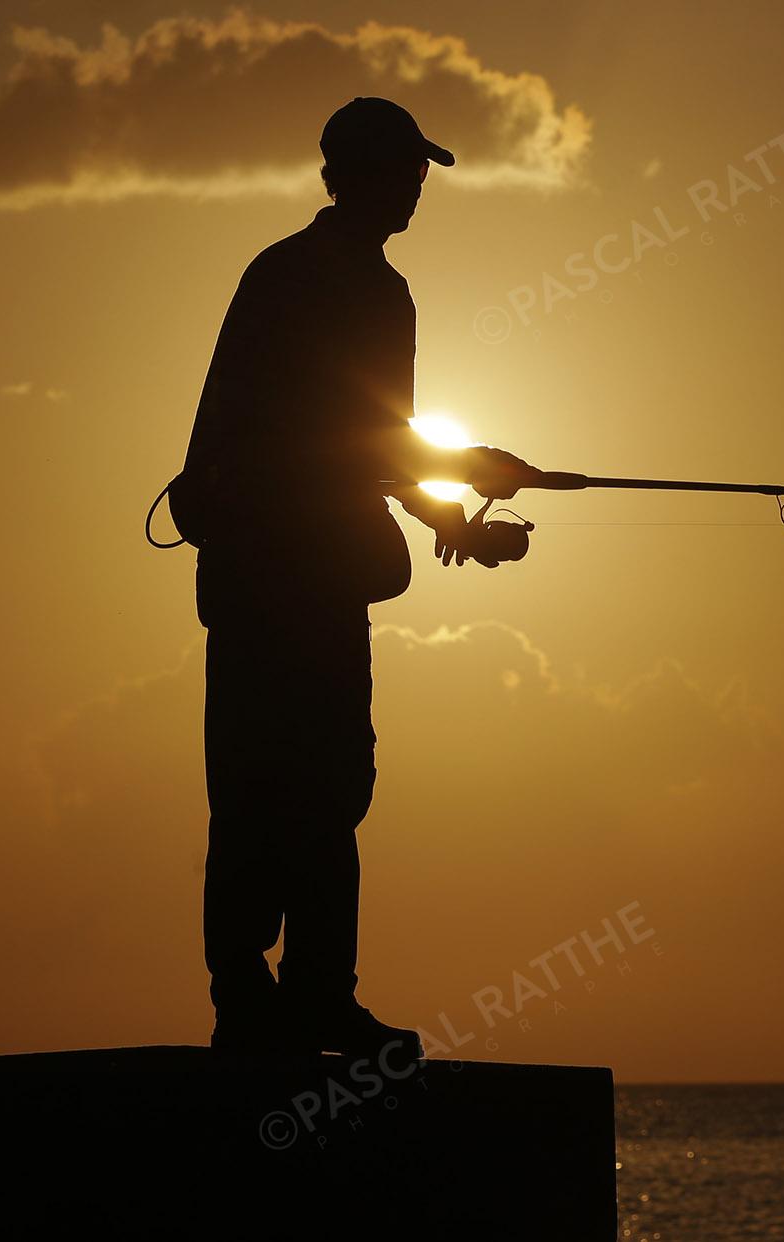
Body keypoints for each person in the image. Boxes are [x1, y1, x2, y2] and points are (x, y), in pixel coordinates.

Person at [178, 97, 537, 1057]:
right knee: (258, 785)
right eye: (403, 170)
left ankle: (319, 995)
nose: (418, 187)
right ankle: (247, 995)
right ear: (353, 174)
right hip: (264, 580)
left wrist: (454, 513)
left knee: (334, 788)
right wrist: (466, 474)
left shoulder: (384, 294)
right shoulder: (290, 279)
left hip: (327, 582)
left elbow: (378, 448)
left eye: (420, 171)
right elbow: (357, 436)